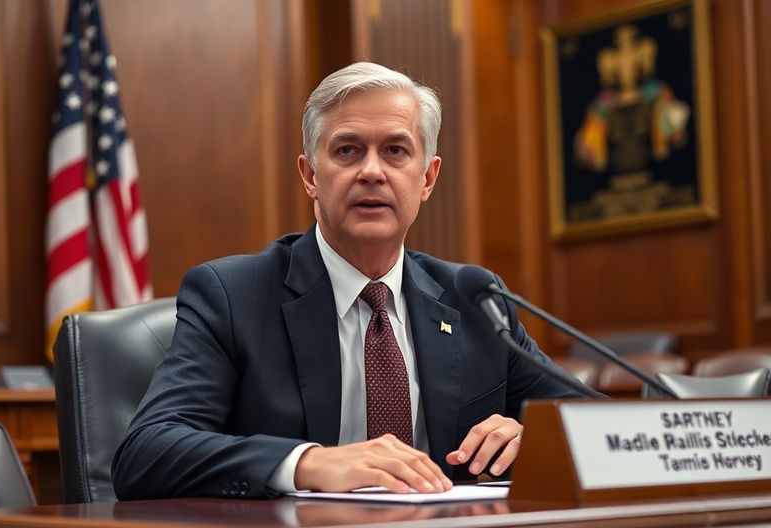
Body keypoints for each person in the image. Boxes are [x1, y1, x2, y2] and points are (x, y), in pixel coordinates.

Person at [112, 62, 587, 500]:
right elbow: (147, 452)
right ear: (310, 174)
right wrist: (309, 463)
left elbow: (605, 428)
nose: (372, 172)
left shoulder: (474, 300)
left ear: (427, 178)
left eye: (396, 151)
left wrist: (540, 436)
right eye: (347, 150)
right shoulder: (233, 296)